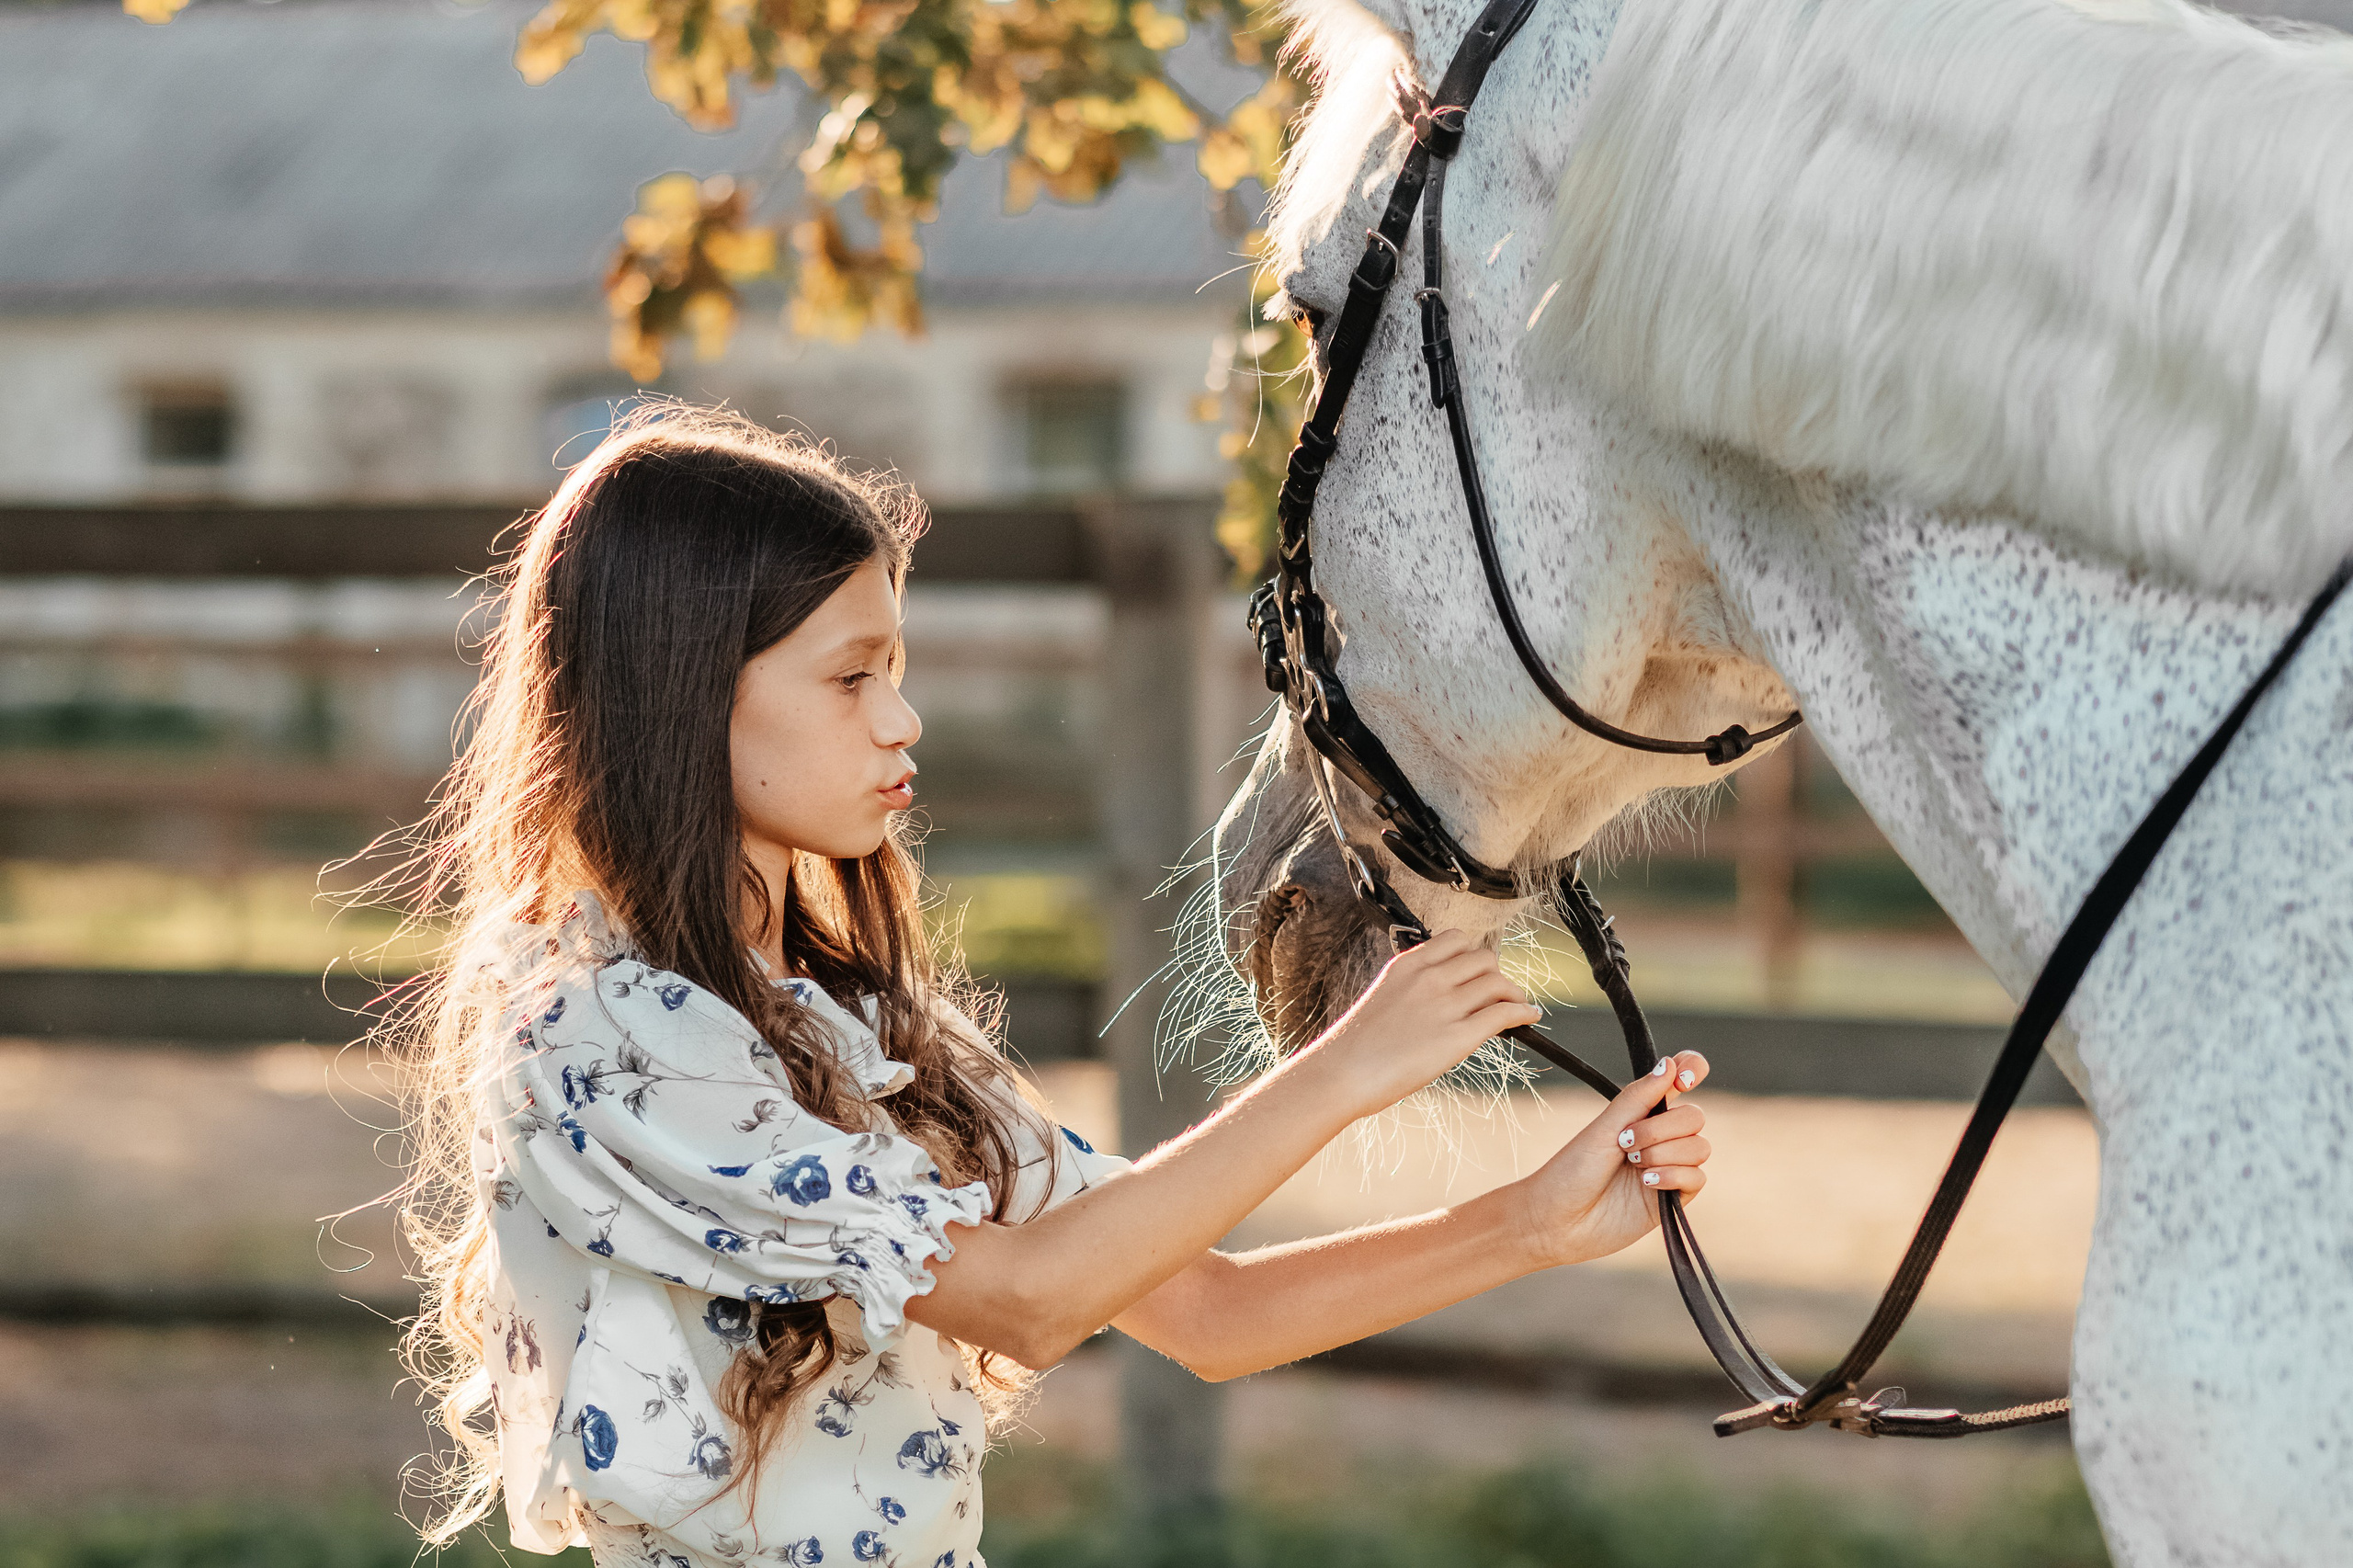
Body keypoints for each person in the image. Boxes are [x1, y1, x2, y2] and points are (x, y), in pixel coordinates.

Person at [391, 406, 1712, 1568]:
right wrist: (1340, 1074)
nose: (901, 719)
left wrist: (1527, 1222)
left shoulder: (853, 1020)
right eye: (850, 676)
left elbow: (1203, 1307)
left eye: (895, 668)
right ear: (680, 691)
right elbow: (1029, 1298)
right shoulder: (599, 1028)